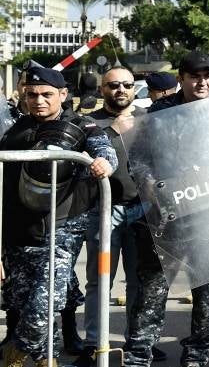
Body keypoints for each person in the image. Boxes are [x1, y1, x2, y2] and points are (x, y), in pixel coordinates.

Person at [0, 67, 116, 366]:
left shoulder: (81, 125)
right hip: (18, 232)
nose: (38, 100)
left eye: (47, 94)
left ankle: (16, 350)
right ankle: (45, 360)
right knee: (21, 304)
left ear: (63, 95)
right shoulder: (14, 128)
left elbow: (104, 150)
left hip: (60, 233)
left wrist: (103, 161)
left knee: (42, 308)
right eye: (32, 95)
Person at [120, 51, 209, 367]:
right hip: (165, 221)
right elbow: (136, 159)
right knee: (150, 294)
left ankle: (196, 356)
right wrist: (149, 183)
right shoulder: (158, 113)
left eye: (207, 75)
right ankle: (139, 355)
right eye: (195, 75)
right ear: (181, 78)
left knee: (207, 299)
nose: (202, 81)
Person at [75, 68, 168, 366]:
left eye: (127, 85)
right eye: (113, 85)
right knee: (100, 280)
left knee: (139, 283)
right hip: (103, 212)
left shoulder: (149, 118)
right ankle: (94, 344)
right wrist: (114, 131)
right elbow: (87, 159)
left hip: (142, 211)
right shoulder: (89, 122)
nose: (121, 90)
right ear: (103, 89)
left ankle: (139, 341)